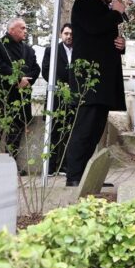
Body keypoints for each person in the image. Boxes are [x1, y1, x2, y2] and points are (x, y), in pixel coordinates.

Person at [65, 0, 128, 187]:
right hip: (88, 81)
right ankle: (74, 175)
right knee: (84, 129)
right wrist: (116, 14)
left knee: (95, 133)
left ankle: (86, 176)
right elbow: (93, 28)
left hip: (103, 82)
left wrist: (121, 45)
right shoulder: (83, 3)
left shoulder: (106, 11)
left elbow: (103, 39)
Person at [0, 18, 41, 157]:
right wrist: (18, 79)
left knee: (15, 134)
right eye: (22, 28)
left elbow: (36, 69)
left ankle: (11, 164)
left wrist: (26, 82)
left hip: (21, 98)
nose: (25, 31)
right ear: (12, 30)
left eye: (25, 28)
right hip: (2, 96)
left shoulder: (28, 50)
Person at [41, 23, 74, 174]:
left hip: (73, 97)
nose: (69, 36)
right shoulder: (52, 50)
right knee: (53, 132)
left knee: (69, 132)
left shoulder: (79, 51)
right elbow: (46, 71)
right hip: (56, 97)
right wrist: (61, 85)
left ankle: (65, 166)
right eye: (66, 33)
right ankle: (50, 168)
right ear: (61, 34)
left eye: (71, 34)